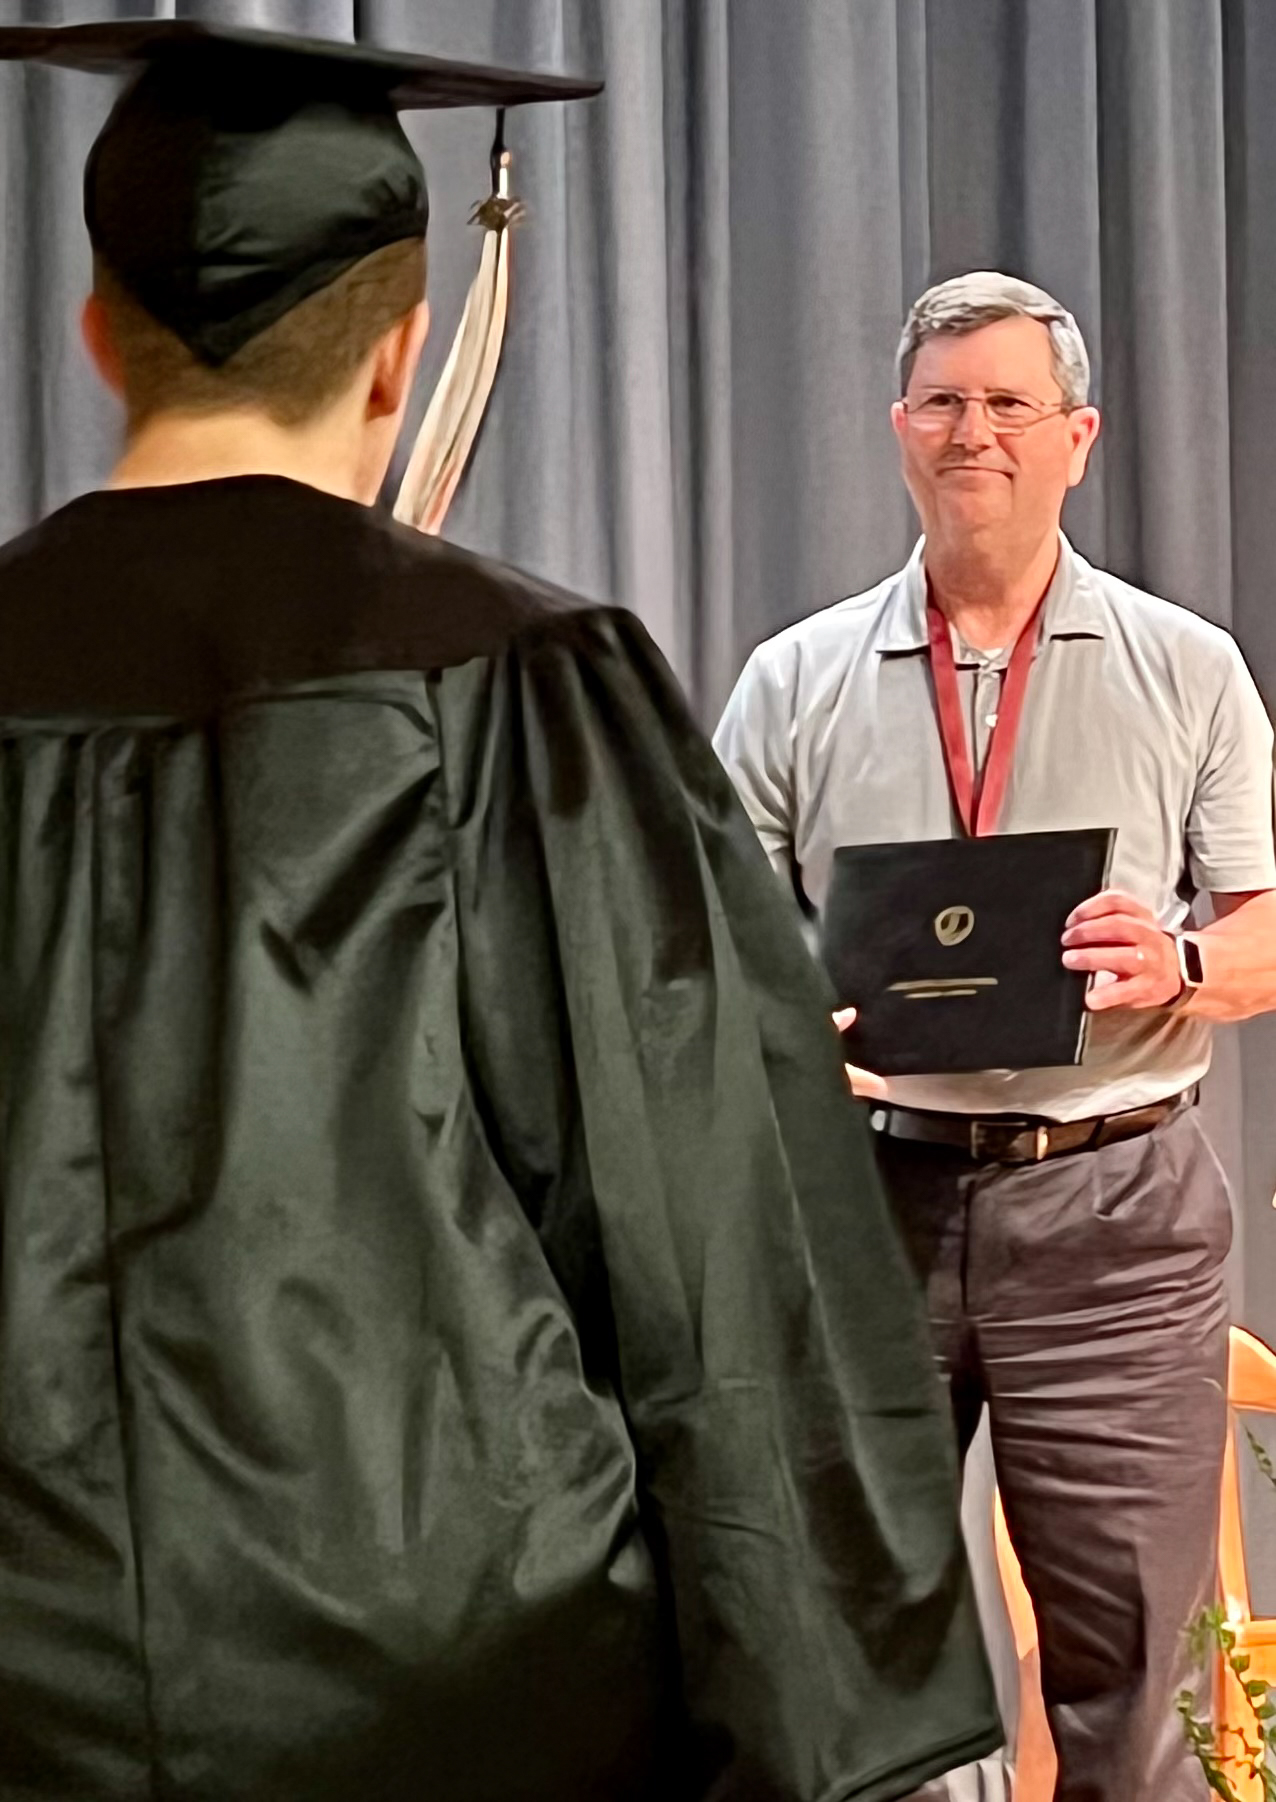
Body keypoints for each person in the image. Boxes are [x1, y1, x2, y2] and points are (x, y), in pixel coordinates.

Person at [0, 24, 1001, 1802]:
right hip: (464, 1670)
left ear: (98, 334)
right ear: (399, 354)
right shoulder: (528, 680)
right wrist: (802, 1701)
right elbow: (704, 1224)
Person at [714, 269, 1276, 1802]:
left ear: (1077, 437)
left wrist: (1170, 952)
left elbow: (1262, 934)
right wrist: (783, 1021)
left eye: (1011, 403)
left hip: (1118, 1218)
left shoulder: (1189, 666)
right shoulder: (795, 678)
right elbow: (706, 946)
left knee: (1123, 1687)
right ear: (900, 429)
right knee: (836, 1660)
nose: (978, 432)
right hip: (864, 1202)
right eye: (946, 401)